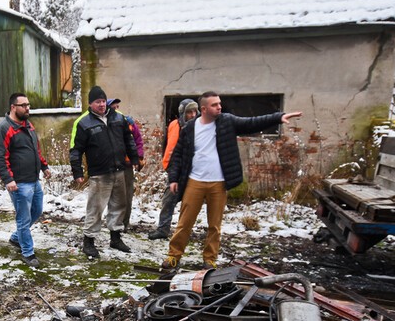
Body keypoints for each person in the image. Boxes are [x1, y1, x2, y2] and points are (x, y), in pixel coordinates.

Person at [162, 91, 302, 271]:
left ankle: (209, 259)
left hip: (218, 183)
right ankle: (174, 256)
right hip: (194, 182)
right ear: (203, 109)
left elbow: (252, 122)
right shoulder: (190, 128)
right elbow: (178, 155)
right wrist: (173, 178)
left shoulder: (227, 122)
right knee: (184, 223)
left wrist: (278, 116)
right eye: (214, 105)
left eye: (219, 103)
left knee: (215, 225)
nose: (219, 107)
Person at [70, 86, 140, 258]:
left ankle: (115, 238)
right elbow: (76, 150)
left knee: (118, 206)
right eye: (97, 102)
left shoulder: (118, 117)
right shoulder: (83, 123)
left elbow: (128, 139)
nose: (101, 105)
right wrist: (77, 172)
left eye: (103, 101)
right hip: (99, 173)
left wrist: (135, 158)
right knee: (95, 208)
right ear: (90, 104)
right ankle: (89, 241)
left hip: (119, 170)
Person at [0, 92, 51, 268]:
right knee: (23, 219)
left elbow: (35, 150)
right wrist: (8, 179)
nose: (27, 108)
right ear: (13, 107)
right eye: (23, 105)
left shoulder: (28, 126)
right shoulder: (4, 128)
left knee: (37, 211)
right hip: (19, 183)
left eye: (28, 105)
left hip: (34, 179)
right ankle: (27, 252)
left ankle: (17, 237)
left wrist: (44, 166)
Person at [147, 99, 199, 240]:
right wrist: (169, 165)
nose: (193, 114)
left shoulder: (199, 127)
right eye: (189, 112)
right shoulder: (173, 125)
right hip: (174, 170)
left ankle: (184, 232)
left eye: (195, 111)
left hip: (192, 171)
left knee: (189, 204)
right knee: (168, 200)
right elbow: (167, 145)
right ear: (182, 113)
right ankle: (163, 230)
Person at [107, 98, 145, 232]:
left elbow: (138, 140)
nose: (116, 109)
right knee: (113, 196)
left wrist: (138, 157)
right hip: (110, 165)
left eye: (117, 106)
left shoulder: (127, 121)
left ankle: (124, 224)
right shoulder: (104, 123)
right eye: (113, 107)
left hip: (126, 165)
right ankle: (113, 223)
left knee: (127, 196)